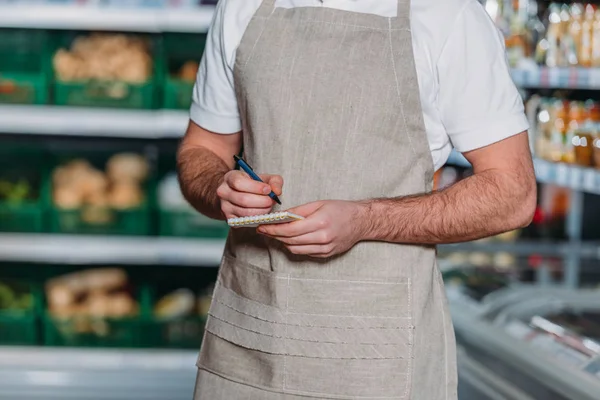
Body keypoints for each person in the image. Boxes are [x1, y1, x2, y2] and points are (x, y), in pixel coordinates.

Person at [177, 0, 536, 398]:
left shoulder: (448, 15)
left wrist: (367, 219)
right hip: (246, 343)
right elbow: (202, 148)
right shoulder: (241, 7)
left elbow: (512, 192)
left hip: (377, 355)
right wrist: (220, 188)